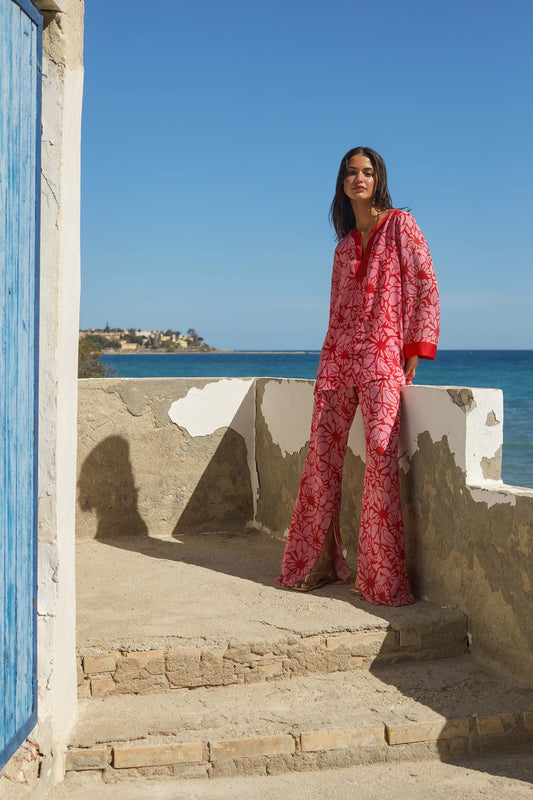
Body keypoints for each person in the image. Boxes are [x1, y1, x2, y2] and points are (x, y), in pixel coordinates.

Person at [277, 146, 439, 607]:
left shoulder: (401, 225)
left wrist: (415, 349)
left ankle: (378, 577)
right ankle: (320, 562)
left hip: (383, 360)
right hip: (337, 361)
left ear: (378, 179)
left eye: (367, 172)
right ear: (342, 182)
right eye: (351, 172)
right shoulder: (343, 248)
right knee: (320, 465)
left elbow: (426, 282)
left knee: (380, 466)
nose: (358, 179)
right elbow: (335, 314)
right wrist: (328, 359)